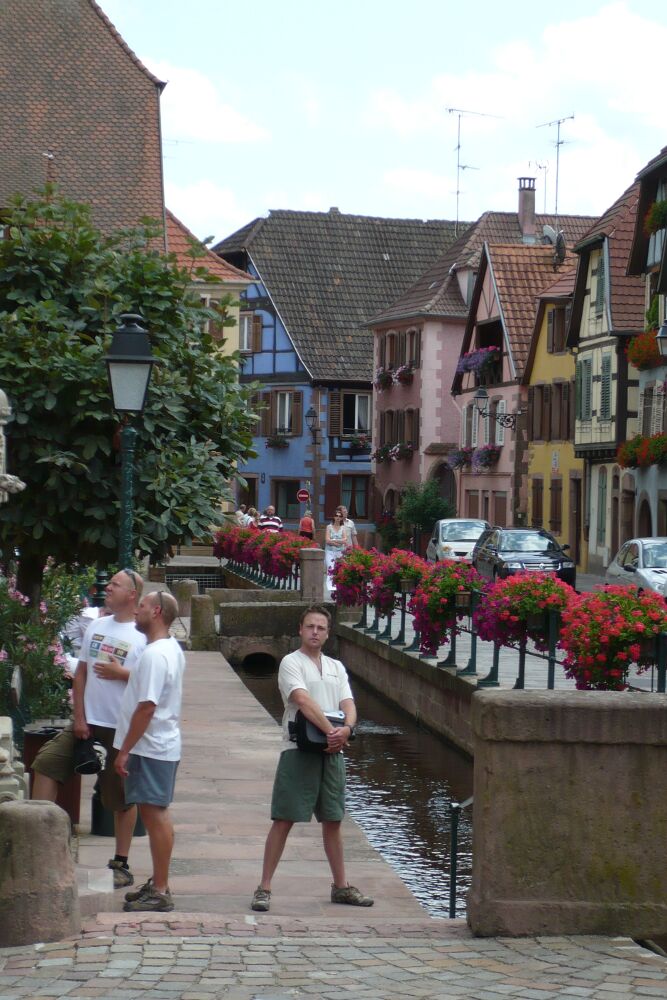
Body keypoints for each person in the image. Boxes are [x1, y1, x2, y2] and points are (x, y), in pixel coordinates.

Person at [250, 605, 373, 913]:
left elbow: (348, 703)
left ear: (328, 634)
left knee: (333, 819)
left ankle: (341, 886)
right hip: (299, 749)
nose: (315, 632)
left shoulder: (336, 666)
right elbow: (301, 700)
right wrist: (333, 731)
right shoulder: (291, 663)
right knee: (284, 818)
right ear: (300, 629)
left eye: (321, 628)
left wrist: (347, 730)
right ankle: (264, 887)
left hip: (333, 750)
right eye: (310, 626)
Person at [32, 569, 147, 888]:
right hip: (88, 721)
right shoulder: (97, 626)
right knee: (46, 765)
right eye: (109, 583)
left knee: (121, 797)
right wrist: (80, 717)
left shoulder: (142, 636)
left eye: (115, 585)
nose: (107, 587)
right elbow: (81, 673)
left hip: (121, 728)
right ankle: (41, 846)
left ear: (132, 595)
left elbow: (152, 684)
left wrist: (122, 673)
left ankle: (121, 863)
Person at [114, 590, 185, 913]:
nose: (136, 611)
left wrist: (125, 750)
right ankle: (158, 881)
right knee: (153, 813)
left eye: (141, 606)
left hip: (151, 746)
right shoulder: (168, 648)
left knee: (155, 815)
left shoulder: (156, 655)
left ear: (156, 612)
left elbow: (147, 707)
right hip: (157, 744)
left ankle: (160, 889)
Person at [325, 510, 347, 591]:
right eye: (336, 516)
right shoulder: (329, 527)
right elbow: (327, 540)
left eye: (340, 516)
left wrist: (334, 540)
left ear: (341, 518)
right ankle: (330, 586)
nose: (338, 517)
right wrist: (336, 543)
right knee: (330, 568)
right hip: (330, 551)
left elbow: (345, 540)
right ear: (334, 517)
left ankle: (339, 585)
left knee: (340, 569)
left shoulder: (343, 528)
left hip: (340, 552)